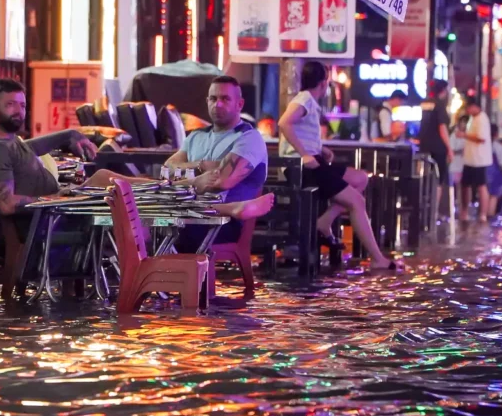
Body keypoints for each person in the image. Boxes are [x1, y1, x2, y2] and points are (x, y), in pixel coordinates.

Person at [0, 79, 275, 235]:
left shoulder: (10, 142)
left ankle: (228, 208)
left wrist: (69, 135)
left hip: (64, 203)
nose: (19, 111)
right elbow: (5, 204)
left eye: (22, 105)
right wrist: (58, 200)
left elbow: (29, 148)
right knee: (128, 194)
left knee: (122, 185)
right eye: (11, 105)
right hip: (56, 213)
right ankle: (229, 208)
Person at [278, 61, 395, 270]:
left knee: (360, 178)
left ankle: (325, 221)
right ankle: (378, 259)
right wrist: (305, 155)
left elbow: (302, 130)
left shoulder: (308, 101)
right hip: (303, 168)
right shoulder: (304, 99)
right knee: (357, 202)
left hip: (314, 162)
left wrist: (320, 149)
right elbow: (284, 123)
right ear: (324, 84)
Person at [162, 75, 273, 252]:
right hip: (187, 211)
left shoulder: (249, 138)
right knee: (138, 222)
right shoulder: (196, 136)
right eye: (213, 99)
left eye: (225, 99)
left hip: (222, 223)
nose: (218, 104)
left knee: (162, 226)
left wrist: (184, 173)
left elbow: (221, 181)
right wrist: (202, 166)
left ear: (240, 104)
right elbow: (168, 168)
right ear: (207, 101)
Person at [418, 80, 453, 208]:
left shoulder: (425, 103)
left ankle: (423, 210)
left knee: (424, 179)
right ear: (443, 91)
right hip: (438, 149)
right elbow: (442, 128)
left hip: (424, 148)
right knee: (437, 181)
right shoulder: (440, 106)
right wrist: (449, 148)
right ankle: (433, 212)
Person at [458, 96, 493, 222]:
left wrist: (464, 135)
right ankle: (465, 212)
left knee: (481, 185)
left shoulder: (482, 119)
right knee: (465, 185)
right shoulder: (472, 118)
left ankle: (483, 214)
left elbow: (481, 138)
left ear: (474, 107)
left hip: (479, 159)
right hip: (470, 158)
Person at [487, 123, 502, 218]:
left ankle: (484, 214)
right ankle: (490, 216)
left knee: (486, 194)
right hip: (495, 174)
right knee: (494, 195)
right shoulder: (498, 147)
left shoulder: (484, 145)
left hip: (484, 172)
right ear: (496, 134)